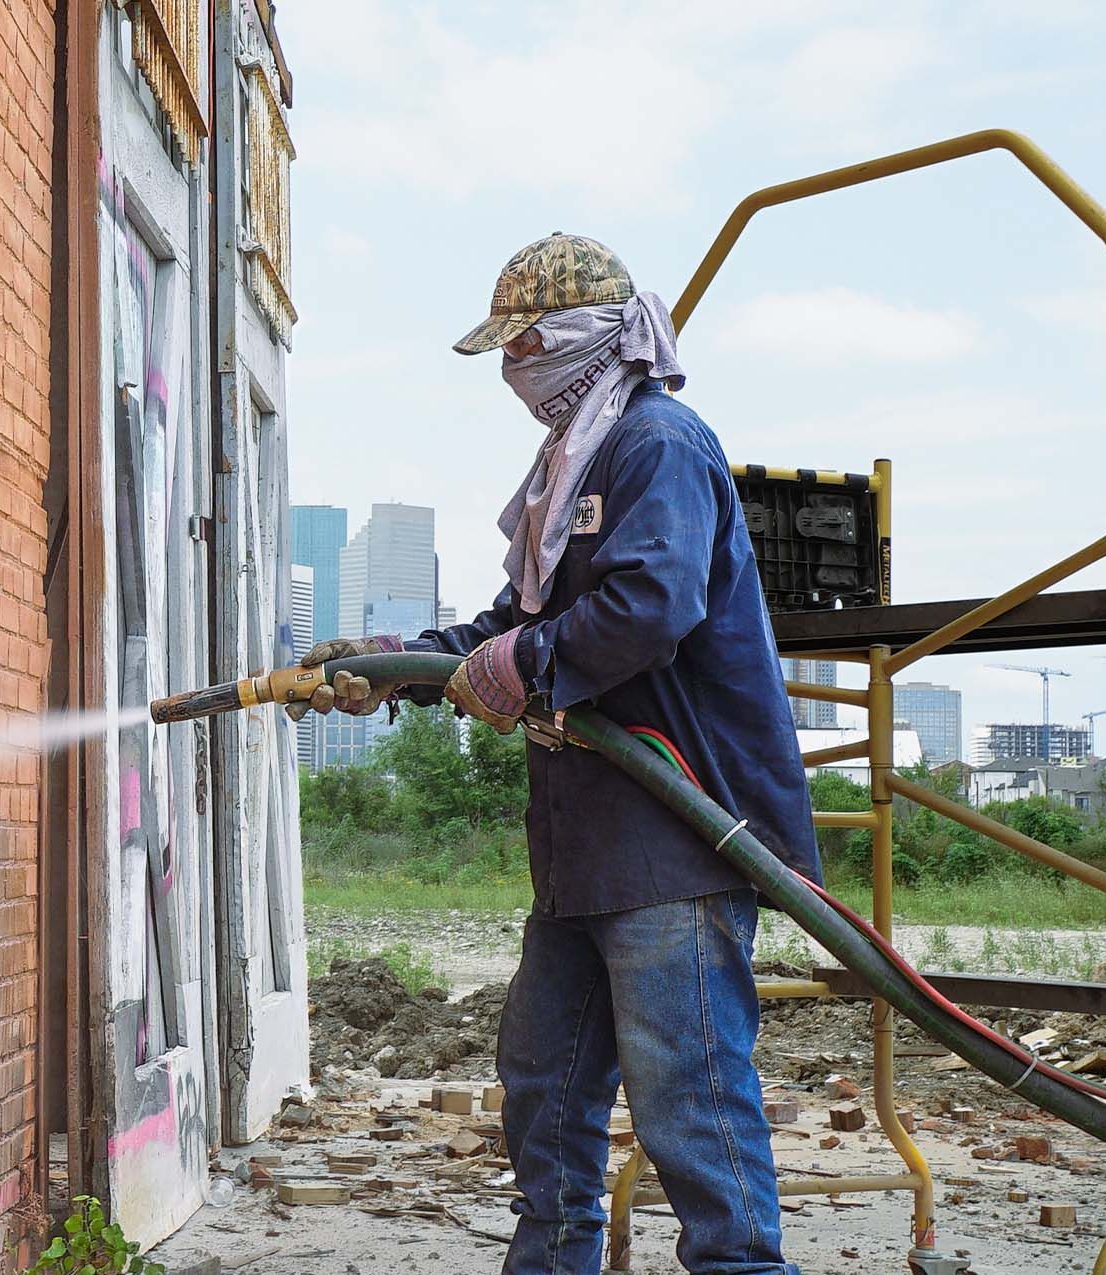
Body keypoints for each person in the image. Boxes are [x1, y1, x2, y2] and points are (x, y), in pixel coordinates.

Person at [292, 233, 820, 1275]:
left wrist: (519, 664)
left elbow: (648, 607)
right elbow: (510, 626)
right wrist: (395, 664)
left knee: (692, 1112)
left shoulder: (654, 444)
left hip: (678, 838)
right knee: (543, 1088)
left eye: (522, 344)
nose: (510, 371)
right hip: (584, 848)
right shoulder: (569, 468)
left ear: (579, 339)